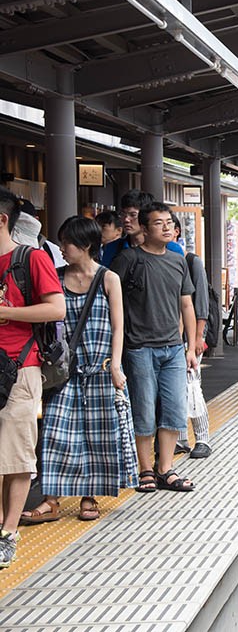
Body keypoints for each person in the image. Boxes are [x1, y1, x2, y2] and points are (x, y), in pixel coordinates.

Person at [21, 217, 137, 525]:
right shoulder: (55, 278)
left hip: (99, 368)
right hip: (64, 372)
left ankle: (90, 496)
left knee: (98, 436)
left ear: (85, 245)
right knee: (56, 434)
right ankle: (51, 499)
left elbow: (118, 326)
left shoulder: (108, 278)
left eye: (66, 243)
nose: (61, 249)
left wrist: (115, 364)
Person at [109, 202, 199, 494]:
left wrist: (190, 346)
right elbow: (111, 300)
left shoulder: (177, 261)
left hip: (172, 348)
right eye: (158, 223)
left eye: (169, 222)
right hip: (139, 347)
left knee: (174, 409)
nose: (166, 227)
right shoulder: (128, 259)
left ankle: (166, 469)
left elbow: (187, 302)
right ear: (144, 230)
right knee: (144, 410)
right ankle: (145, 468)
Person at [0, 188, 65, 569]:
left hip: (19, 367)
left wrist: (6, 314)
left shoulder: (31, 258)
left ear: (3, 219)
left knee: (17, 454)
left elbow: (55, 308)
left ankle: (8, 531)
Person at [172, 215, 212, 459]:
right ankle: (180, 438)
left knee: (193, 386)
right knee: (175, 390)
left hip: (189, 334)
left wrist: (197, 337)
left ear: (177, 231)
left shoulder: (190, 261)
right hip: (170, 336)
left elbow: (201, 303)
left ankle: (203, 438)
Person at [100, 190, 183, 267]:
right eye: (123, 214)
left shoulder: (172, 249)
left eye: (133, 215)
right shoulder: (113, 248)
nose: (126, 219)